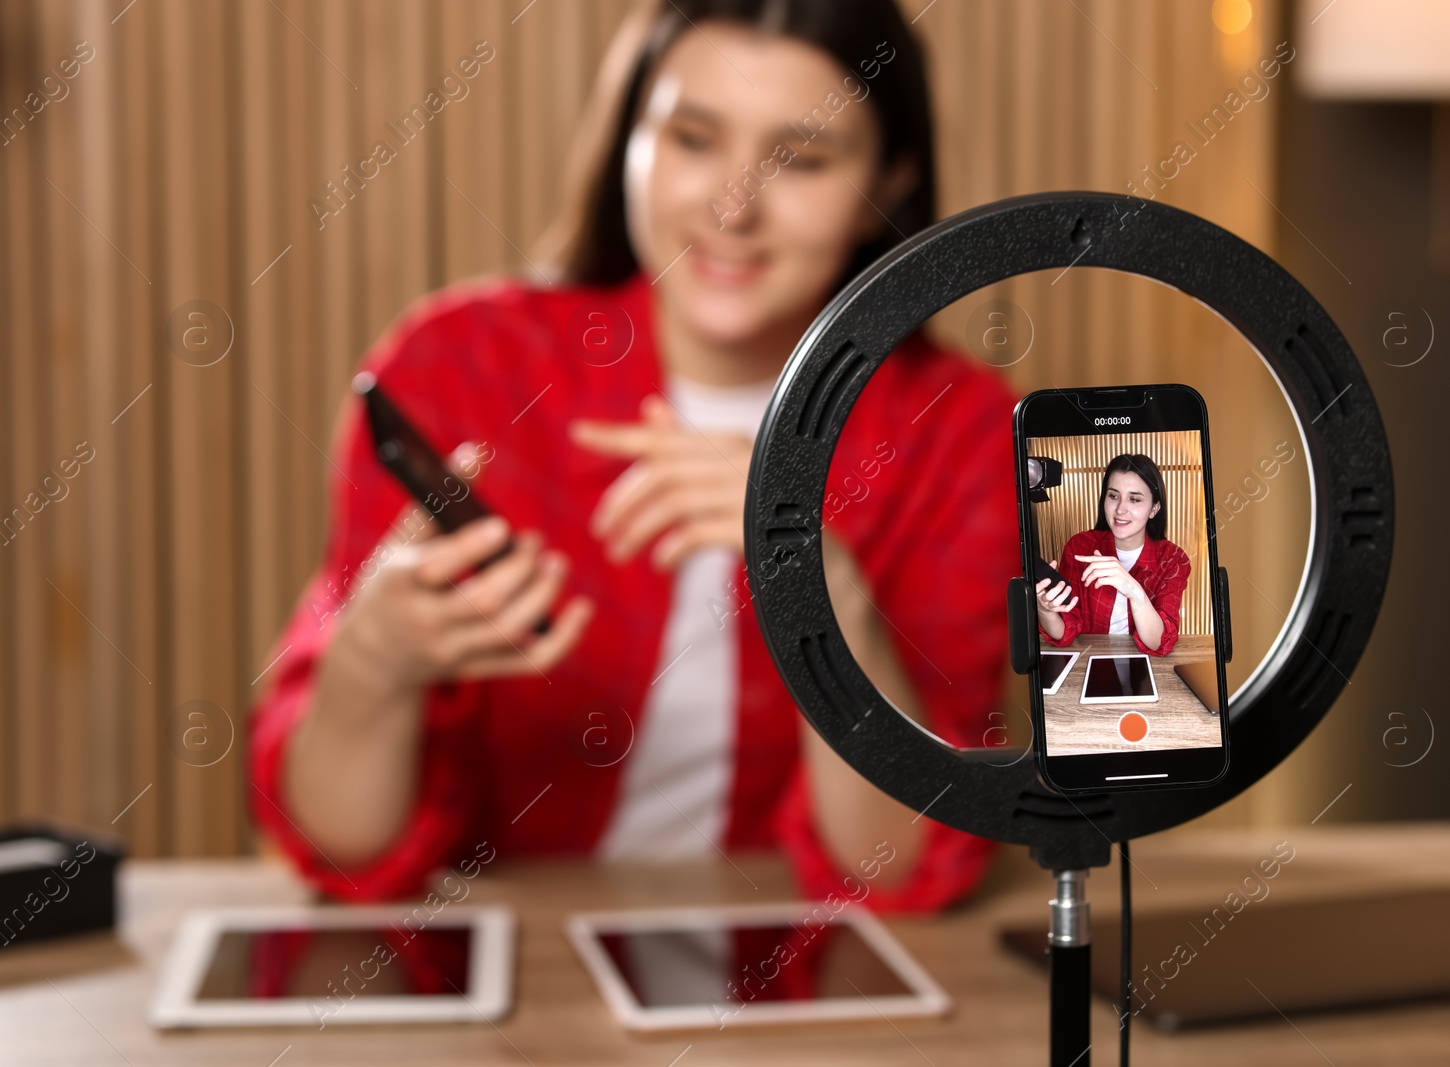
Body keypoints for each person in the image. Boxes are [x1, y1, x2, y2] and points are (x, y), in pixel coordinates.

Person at [247, 0, 1020, 915]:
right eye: (692, 140)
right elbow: (341, 851)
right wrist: (371, 662)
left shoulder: (962, 429)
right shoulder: (458, 367)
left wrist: (824, 593)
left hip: (778, 987)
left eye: (804, 160)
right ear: (628, 144)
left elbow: (899, 868)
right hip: (506, 970)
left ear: (890, 184)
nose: (733, 207)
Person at [1035, 453, 1190, 656]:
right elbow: (1066, 630)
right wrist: (1045, 610)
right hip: (1090, 659)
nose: (1120, 509)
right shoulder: (1080, 546)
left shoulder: (1173, 559)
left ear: (1154, 508)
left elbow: (1159, 643)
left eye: (1134, 499)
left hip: (1146, 665)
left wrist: (1133, 589)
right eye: (1114, 496)